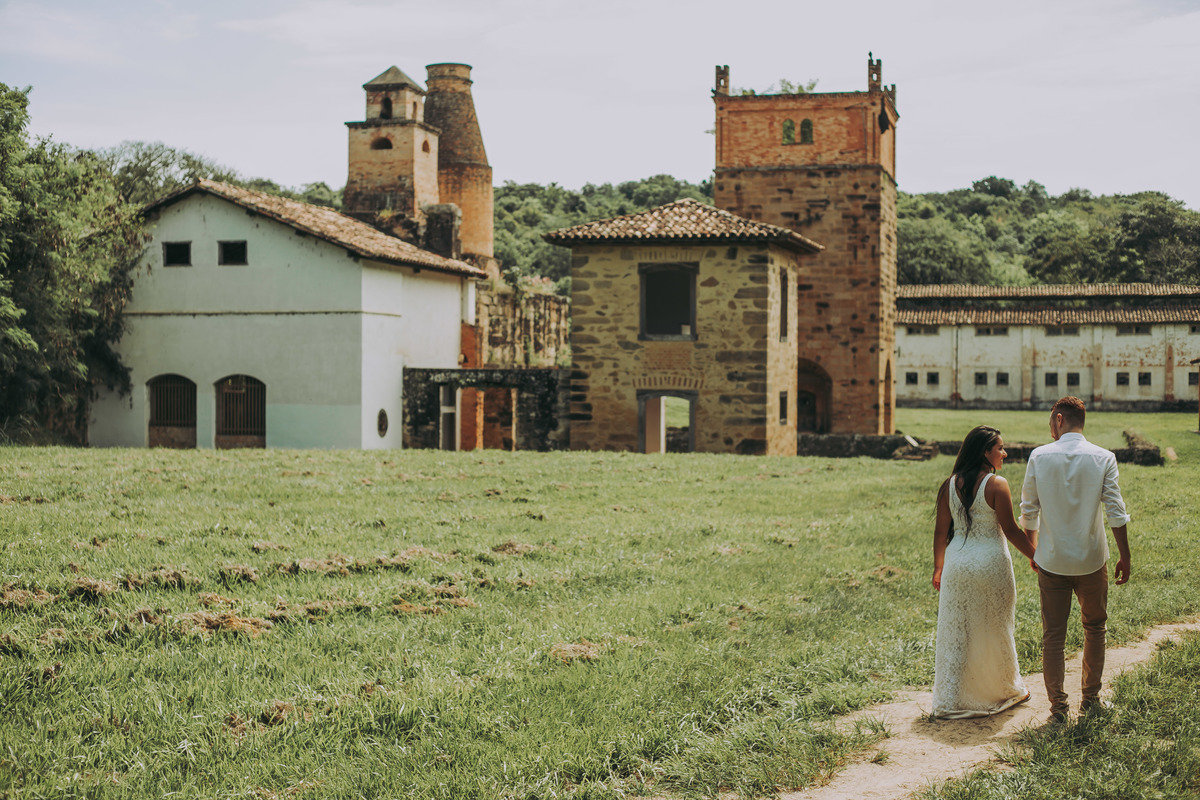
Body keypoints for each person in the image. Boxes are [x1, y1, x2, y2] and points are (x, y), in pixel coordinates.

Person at [1020, 396, 1131, 721]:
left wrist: (1034, 549)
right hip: (1091, 560)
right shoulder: (1104, 457)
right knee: (1094, 628)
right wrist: (1124, 555)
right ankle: (1091, 700)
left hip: (1052, 560)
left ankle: (1058, 710)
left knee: (1053, 635)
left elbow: (1029, 508)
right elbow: (1116, 511)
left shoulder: (1039, 456)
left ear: (1058, 419)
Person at [931, 425, 1037, 719]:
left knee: (958, 631)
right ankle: (1003, 690)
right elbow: (1012, 531)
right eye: (1000, 448)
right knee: (995, 627)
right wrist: (1037, 557)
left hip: (956, 565)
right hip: (990, 562)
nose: (1004, 453)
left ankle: (953, 698)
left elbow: (941, 532)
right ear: (985, 452)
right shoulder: (997, 484)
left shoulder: (949, 484)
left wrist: (939, 568)